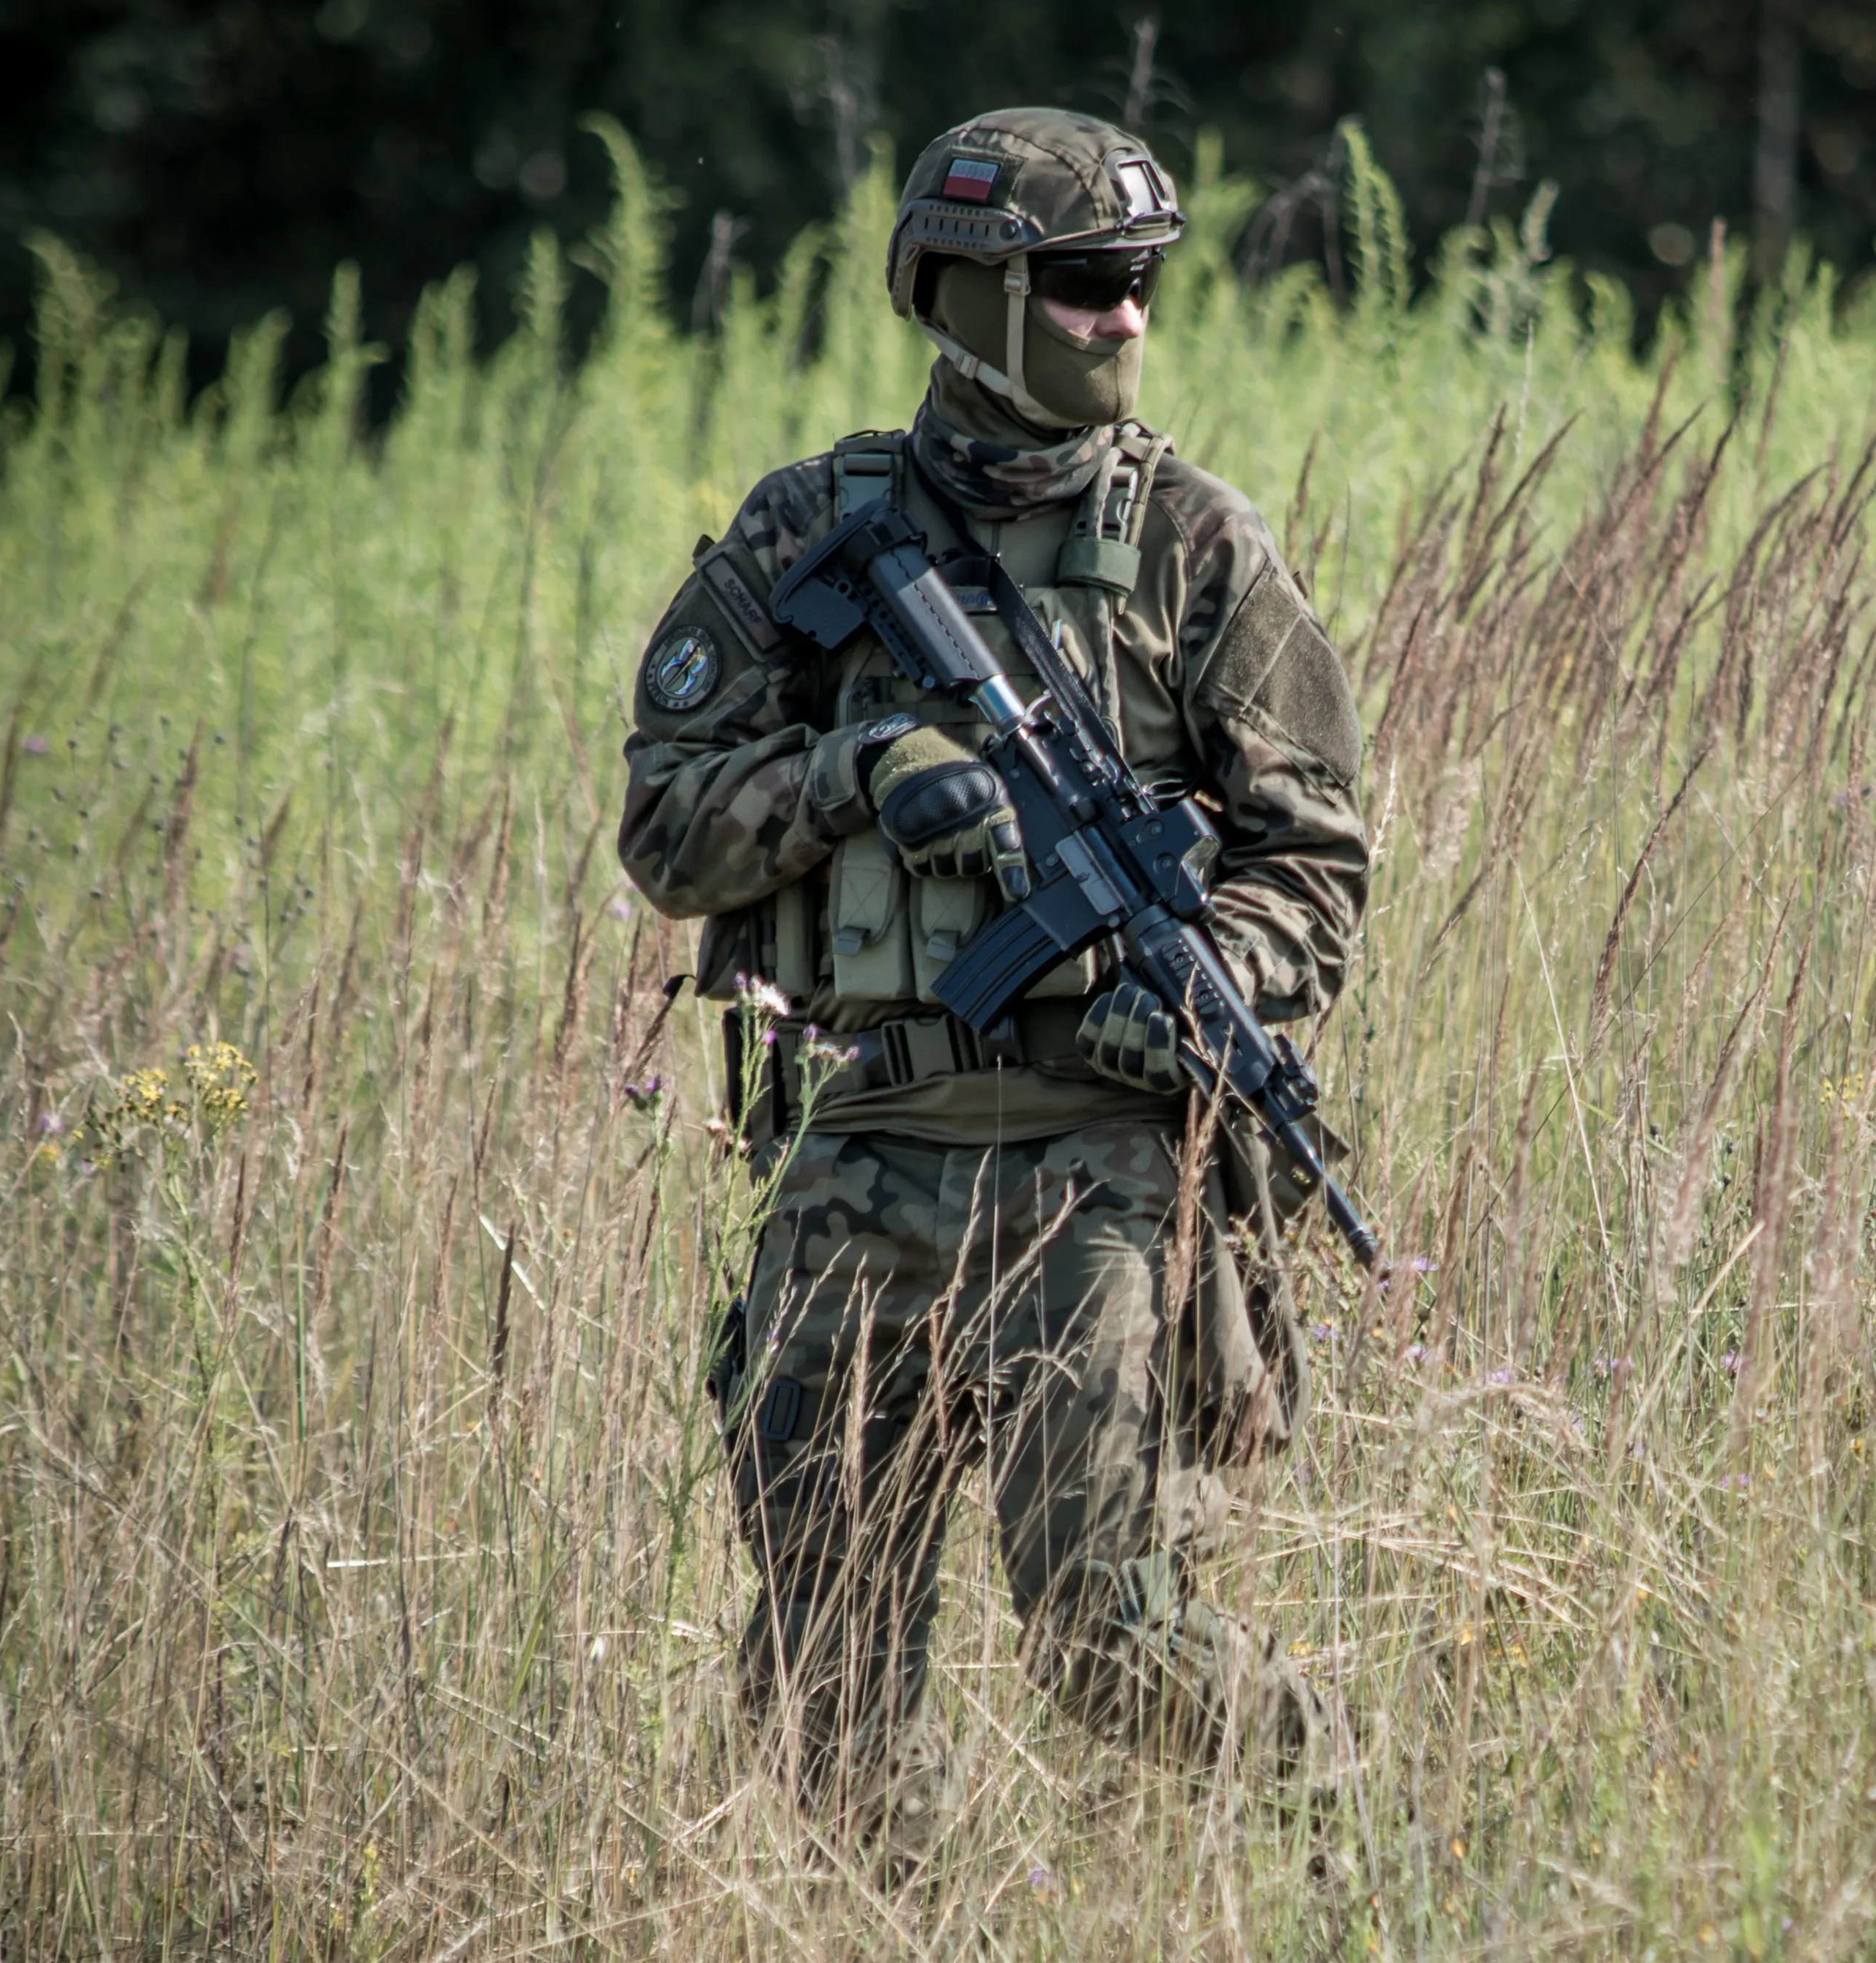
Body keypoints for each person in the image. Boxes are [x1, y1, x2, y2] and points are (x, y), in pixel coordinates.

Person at [615, 107, 1369, 1873]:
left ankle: (1352, 1809)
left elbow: (1316, 861)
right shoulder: (816, 532)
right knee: (821, 1663)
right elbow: (663, 826)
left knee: (1110, 1634)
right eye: (1090, 283)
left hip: (1095, 1174)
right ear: (966, 292)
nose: (1130, 319)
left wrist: (1199, 991)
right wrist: (855, 773)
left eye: (1144, 285)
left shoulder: (1194, 542)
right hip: (861, 1149)